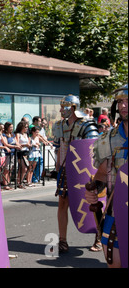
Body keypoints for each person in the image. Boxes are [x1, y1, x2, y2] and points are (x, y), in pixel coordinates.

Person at [85, 85, 128, 268]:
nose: (123, 106)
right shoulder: (107, 140)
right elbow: (102, 176)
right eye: (120, 102)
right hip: (115, 213)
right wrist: (94, 189)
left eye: (127, 101)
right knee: (115, 264)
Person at [52, 94, 99, 253]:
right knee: (62, 203)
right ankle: (62, 240)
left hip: (84, 171)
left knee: (92, 203)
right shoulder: (59, 126)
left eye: (63, 107)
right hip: (66, 171)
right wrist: (58, 166)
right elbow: (59, 148)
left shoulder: (86, 125)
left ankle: (98, 237)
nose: (60, 110)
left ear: (73, 108)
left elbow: (92, 149)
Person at [1, 122, 21, 190]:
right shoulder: (4, 135)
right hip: (8, 154)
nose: (12, 129)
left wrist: (19, 145)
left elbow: (16, 141)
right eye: (10, 127)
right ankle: (5, 184)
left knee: (11, 168)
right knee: (7, 169)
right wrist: (15, 146)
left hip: (13, 153)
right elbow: (6, 144)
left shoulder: (12, 135)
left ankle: (8, 182)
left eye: (12, 127)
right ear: (7, 128)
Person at [15, 121, 31, 188]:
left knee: (25, 168)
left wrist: (29, 145)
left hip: (26, 152)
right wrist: (25, 145)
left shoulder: (26, 134)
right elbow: (17, 143)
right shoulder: (18, 134)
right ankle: (19, 182)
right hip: (20, 152)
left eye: (27, 127)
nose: (27, 128)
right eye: (25, 127)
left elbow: (29, 142)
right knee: (23, 168)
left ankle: (20, 181)